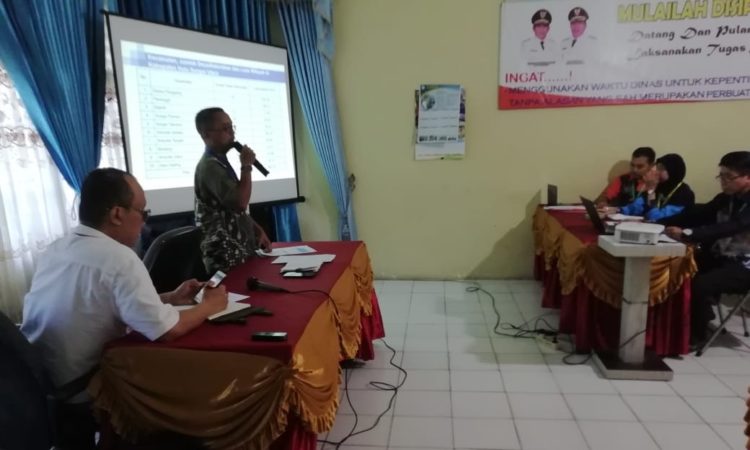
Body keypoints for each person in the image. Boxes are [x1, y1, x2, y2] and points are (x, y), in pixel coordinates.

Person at [21, 168, 228, 449]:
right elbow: (168, 330)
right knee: (188, 379)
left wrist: (171, 297)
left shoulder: (57, 248)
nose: (144, 222)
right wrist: (210, 306)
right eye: (143, 213)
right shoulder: (119, 258)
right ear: (117, 214)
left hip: (40, 383)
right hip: (83, 385)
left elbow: (103, 301)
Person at [660, 151, 750, 345]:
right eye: (721, 176)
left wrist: (689, 234)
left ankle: (696, 336)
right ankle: (692, 318)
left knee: (701, 285)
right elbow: (698, 214)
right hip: (722, 256)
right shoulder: (727, 198)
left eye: (729, 176)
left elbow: (731, 227)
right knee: (676, 265)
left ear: (747, 177)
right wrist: (656, 223)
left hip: (744, 265)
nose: (723, 181)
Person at [194, 107, 272, 274]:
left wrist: (256, 229)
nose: (231, 132)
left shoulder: (220, 162)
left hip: (238, 252)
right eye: (225, 128)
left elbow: (232, 210)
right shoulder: (209, 167)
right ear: (206, 134)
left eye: (231, 126)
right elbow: (240, 202)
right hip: (223, 257)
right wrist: (246, 166)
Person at [617, 153, 695, 221]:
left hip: (668, 231)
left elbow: (656, 217)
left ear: (672, 171)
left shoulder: (683, 193)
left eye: (661, 169)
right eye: (657, 168)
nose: (656, 172)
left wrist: (651, 191)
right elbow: (637, 206)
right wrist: (619, 210)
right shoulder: (660, 186)